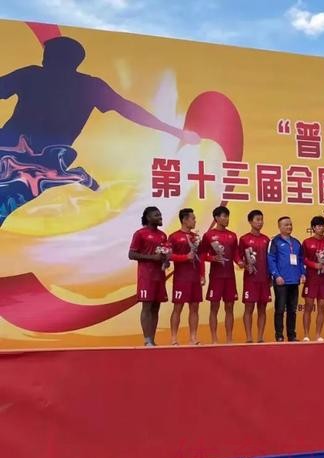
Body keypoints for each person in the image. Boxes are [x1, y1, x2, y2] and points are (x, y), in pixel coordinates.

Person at [0, 36, 198, 227]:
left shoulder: (42, 76)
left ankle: (76, 175)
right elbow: (129, 109)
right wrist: (175, 132)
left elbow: (129, 109)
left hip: (38, 160)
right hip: (26, 154)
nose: (44, 60)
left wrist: (175, 132)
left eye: (48, 55)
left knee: (7, 203)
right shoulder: (79, 83)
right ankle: (76, 175)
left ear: (60, 59)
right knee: (6, 204)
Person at [128, 206, 169, 346]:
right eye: (156, 215)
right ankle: (147, 340)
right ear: (148, 217)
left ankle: (152, 339)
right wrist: (153, 258)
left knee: (156, 307)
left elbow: (163, 254)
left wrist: (165, 260)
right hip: (146, 276)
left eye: (160, 214)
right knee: (147, 306)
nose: (160, 217)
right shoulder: (140, 234)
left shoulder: (162, 235)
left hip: (159, 276)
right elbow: (131, 254)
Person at [200, 206, 239, 344]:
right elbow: (202, 254)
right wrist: (212, 258)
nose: (227, 219)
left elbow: (236, 254)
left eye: (228, 216)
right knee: (214, 307)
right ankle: (214, 339)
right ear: (216, 218)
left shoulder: (232, 235)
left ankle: (229, 339)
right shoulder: (208, 235)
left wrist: (241, 262)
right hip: (216, 277)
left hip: (230, 277)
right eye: (224, 216)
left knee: (229, 307)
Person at [167, 208, 203, 345]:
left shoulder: (196, 238)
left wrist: (202, 275)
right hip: (181, 278)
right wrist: (185, 257)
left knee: (194, 307)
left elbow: (200, 258)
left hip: (195, 278)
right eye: (193, 218)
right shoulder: (174, 237)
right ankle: (174, 338)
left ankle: (193, 338)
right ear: (184, 220)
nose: (195, 221)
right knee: (178, 307)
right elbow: (169, 256)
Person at [268, 216, 306, 342]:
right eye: (286, 225)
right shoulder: (275, 242)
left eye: (290, 224)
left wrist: (302, 273)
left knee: (292, 310)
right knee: (280, 309)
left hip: (294, 281)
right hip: (281, 281)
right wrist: (276, 275)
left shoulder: (296, 242)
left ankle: (291, 335)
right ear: (279, 227)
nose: (289, 227)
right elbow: (271, 259)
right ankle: (279, 336)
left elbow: (301, 260)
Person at [238, 210, 271, 343]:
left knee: (262, 309)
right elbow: (239, 257)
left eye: (261, 219)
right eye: (257, 219)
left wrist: (271, 277)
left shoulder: (266, 239)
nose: (260, 222)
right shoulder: (244, 239)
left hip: (264, 279)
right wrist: (243, 264)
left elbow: (270, 259)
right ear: (250, 221)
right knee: (249, 308)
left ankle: (260, 337)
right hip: (250, 279)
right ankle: (249, 337)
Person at [301, 215, 324, 342]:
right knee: (308, 306)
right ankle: (306, 335)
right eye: (319, 226)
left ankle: (318, 335)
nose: (322, 228)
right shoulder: (307, 242)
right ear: (313, 228)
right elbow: (303, 258)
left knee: (321, 307)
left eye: (323, 226)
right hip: (311, 279)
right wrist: (314, 265)